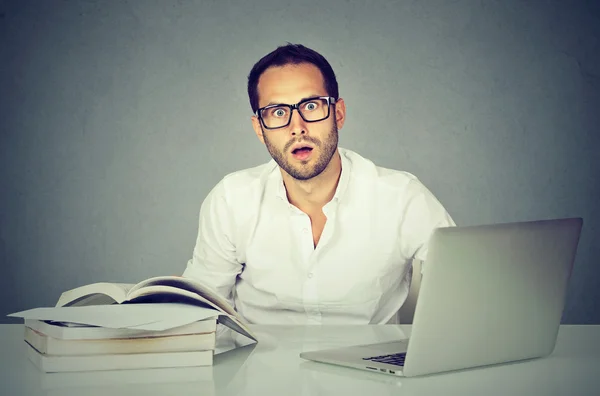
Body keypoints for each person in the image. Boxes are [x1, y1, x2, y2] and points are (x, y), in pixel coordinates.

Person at [183, 43, 455, 325]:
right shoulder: (231, 200)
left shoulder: (403, 198)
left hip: (367, 366)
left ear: (338, 113)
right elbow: (201, 312)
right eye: (277, 112)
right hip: (258, 363)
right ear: (259, 129)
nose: (297, 126)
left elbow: (464, 291)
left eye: (311, 106)